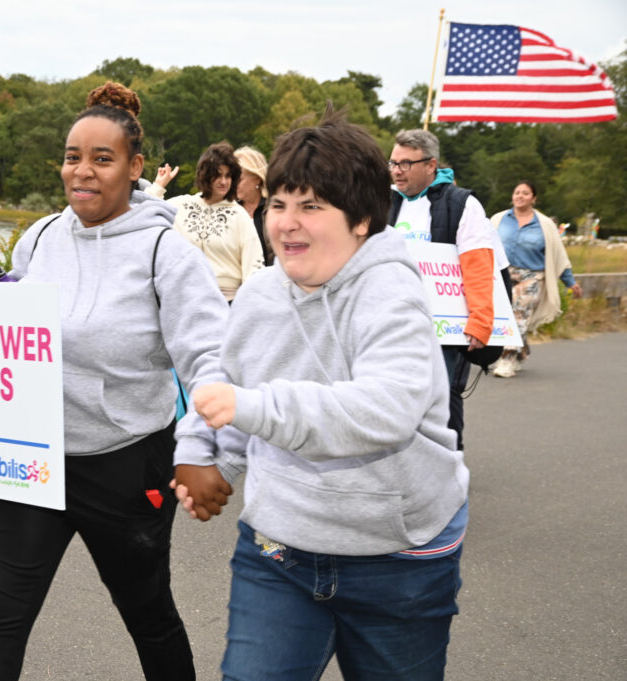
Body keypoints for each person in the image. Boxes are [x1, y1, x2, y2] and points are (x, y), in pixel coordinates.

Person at [0, 81, 230, 681]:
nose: (83, 171)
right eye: (73, 157)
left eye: (102, 158)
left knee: (148, 614)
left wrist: (201, 450)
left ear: (135, 168)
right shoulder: (42, 236)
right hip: (33, 459)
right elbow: (16, 315)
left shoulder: (165, 253)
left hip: (126, 462)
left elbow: (211, 359)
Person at [176, 109, 469, 681]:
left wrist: (252, 408)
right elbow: (225, 377)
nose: (287, 223)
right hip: (278, 548)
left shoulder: (392, 292)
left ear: (362, 218)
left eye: (311, 206)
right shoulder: (259, 295)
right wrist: (203, 454)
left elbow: (385, 410)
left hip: (400, 558)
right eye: (279, 204)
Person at [387, 129, 496, 451]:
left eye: (406, 164)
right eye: (393, 163)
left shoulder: (462, 204)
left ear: (431, 165)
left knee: (442, 398)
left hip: (444, 328)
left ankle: (448, 464)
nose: (397, 171)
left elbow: (478, 264)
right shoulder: (385, 200)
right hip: (393, 321)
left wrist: (480, 319)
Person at [146, 142, 265, 302]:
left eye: (228, 176)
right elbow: (144, 214)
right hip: (184, 300)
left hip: (227, 303)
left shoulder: (239, 216)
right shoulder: (182, 206)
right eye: (218, 175)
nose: (224, 181)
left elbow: (254, 268)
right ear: (205, 175)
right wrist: (159, 186)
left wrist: (246, 306)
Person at [490, 181, 582, 378]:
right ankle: (521, 351)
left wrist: (571, 282)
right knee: (502, 314)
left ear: (534, 198)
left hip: (531, 277)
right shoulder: (498, 219)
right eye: (517, 192)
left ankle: (507, 358)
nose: (520, 196)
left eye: (525, 193)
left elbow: (558, 256)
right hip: (501, 275)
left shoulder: (545, 224)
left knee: (518, 314)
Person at [235, 145, 274, 265]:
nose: (234, 184)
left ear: (257, 179)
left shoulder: (273, 210)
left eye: (239, 179)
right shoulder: (230, 211)